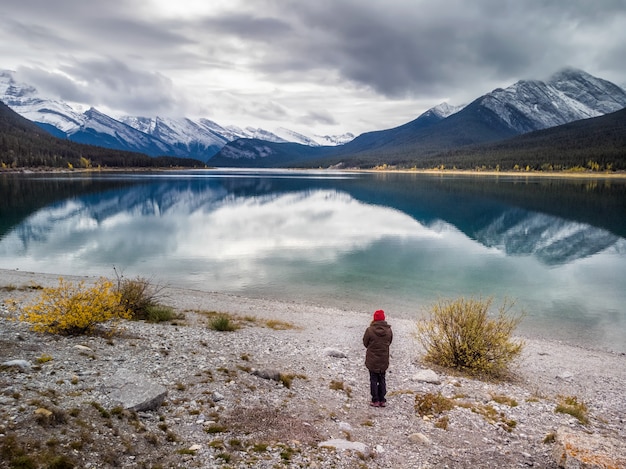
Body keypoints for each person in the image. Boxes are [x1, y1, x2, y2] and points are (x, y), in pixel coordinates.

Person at [363, 309, 393, 407]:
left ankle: (375, 400)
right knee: (382, 379)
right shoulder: (389, 331)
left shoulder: (370, 330)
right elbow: (390, 342)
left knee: (373, 379)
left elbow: (365, 343)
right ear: (384, 318)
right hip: (383, 359)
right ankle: (382, 399)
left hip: (372, 359)